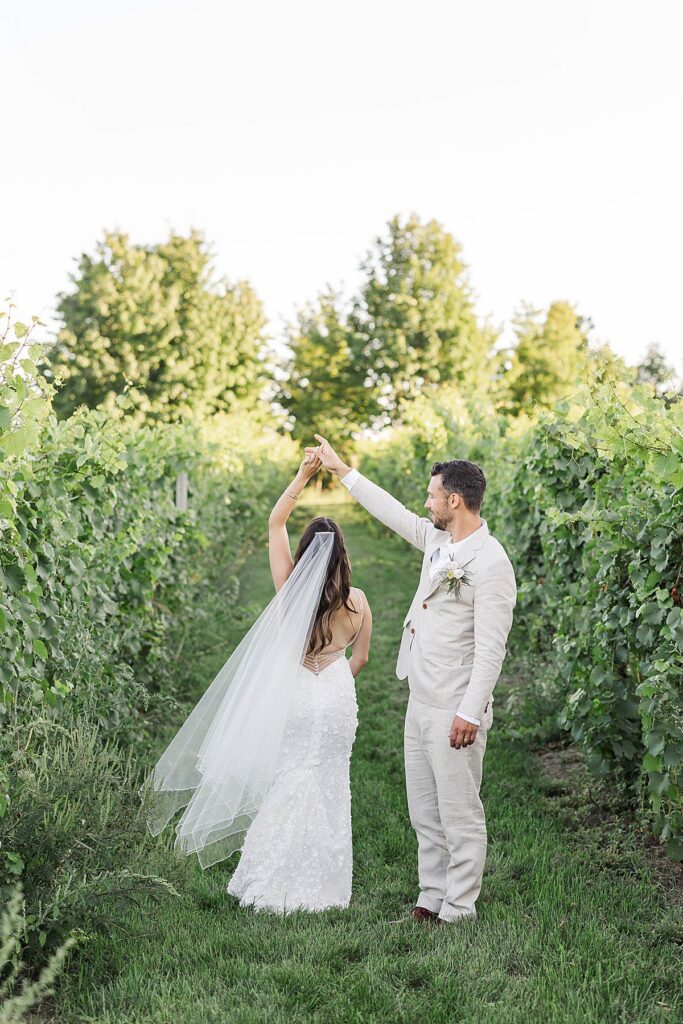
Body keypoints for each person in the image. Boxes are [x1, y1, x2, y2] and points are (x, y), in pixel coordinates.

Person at [141, 451, 372, 915]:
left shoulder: (289, 590)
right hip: (336, 696)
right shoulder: (358, 601)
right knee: (329, 782)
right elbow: (360, 658)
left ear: (305, 555)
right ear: (344, 555)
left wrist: (303, 476)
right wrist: (333, 683)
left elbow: (274, 522)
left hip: (298, 693)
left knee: (289, 778)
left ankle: (270, 878)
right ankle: (325, 887)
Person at [305, 434, 516, 924]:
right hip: (420, 696)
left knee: (459, 812)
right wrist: (341, 470)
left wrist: (469, 711)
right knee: (424, 810)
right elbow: (393, 512)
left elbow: (491, 650)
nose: (426, 503)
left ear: (454, 500)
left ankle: (460, 909)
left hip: (455, 705)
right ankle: (430, 898)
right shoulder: (438, 540)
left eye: (432, 495)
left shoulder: (491, 563)